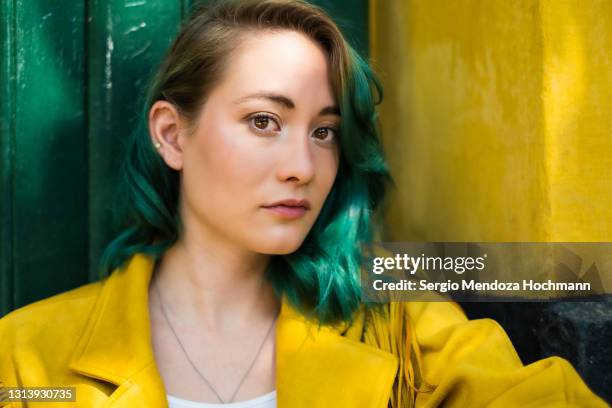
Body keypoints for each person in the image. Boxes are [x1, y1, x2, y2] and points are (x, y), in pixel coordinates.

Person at [0, 0, 607, 407]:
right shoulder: (27, 355)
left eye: (324, 131)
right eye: (264, 121)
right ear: (171, 134)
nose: (302, 167)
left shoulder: (398, 324)